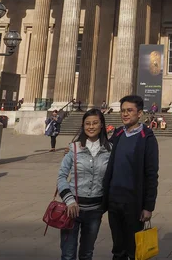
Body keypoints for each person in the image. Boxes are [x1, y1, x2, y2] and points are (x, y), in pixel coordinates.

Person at [103, 95, 159, 260]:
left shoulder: (147, 138)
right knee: (117, 248)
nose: (125, 114)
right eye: (123, 111)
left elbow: (151, 174)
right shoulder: (118, 133)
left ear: (139, 113)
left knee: (133, 250)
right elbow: (102, 152)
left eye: (129, 110)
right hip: (114, 199)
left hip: (133, 202)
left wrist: (148, 206)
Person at [57, 109, 111, 260]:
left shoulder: (110, 150)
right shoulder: (73, 148)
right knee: (68, 254)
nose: (91, 127)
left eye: (95, 123)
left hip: (95, 211)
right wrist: (69, 200)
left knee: (87, 254)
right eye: (87, 124)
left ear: (102, 125)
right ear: (83, 126)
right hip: (72, 208)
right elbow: (61, 177)